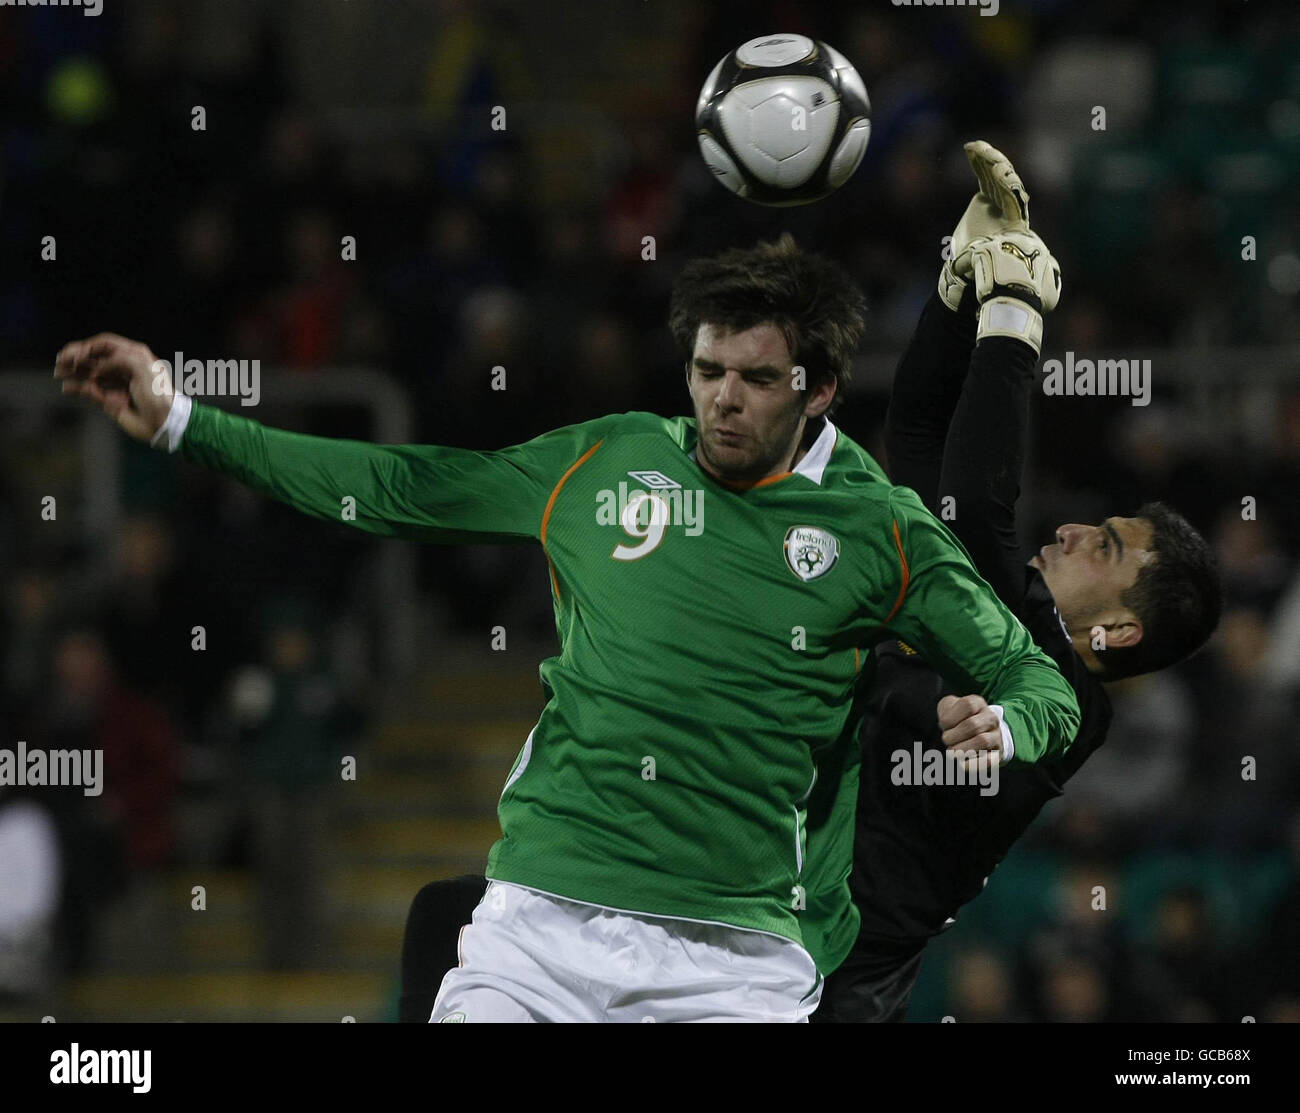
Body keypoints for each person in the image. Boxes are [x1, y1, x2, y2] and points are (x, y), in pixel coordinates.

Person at [55, 228, 1080, 1022]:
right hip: (542, 925)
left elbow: (1037, 684)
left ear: (816, 390)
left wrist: (1008, 726)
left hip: (737, 962)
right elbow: (403, 485)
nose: (722, 400)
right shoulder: (606, 463)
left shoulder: (878, 532)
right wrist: (189, 420)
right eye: (707, 370)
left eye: (757, 380)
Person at [814, 141, 1223, 1021]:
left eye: (1105, 549)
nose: (1073, 530)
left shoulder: (1062, 707)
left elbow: (969, 505)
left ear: (1116, 631)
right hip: (756, 925)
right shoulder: (1018, 615)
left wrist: (1017, 314)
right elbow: (918, 444)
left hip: (825, 986)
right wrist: (958, 291)